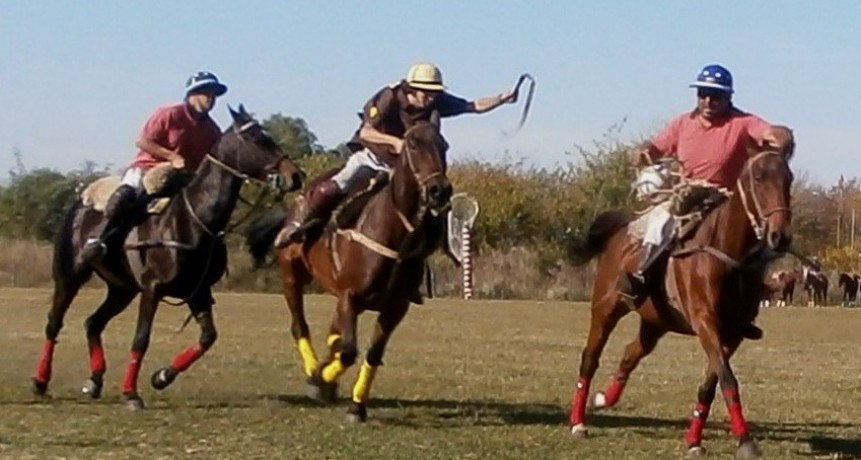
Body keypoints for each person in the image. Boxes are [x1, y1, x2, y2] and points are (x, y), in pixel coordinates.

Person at [273, 62, 517, 247]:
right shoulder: (389, 97)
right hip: (373, 158)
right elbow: (366, 132)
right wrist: (397, 143)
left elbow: (472, 106)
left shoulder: (435, 101)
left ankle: (421, 258)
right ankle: (297, 226)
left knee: (431, 205)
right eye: (427, 92)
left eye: (435, 92)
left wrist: (501, 99)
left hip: (403, 169)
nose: (432, 97)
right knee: (335, 186)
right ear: (412, 88)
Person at [620, 64, 794, 306]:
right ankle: (642, 275)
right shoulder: (682, 123)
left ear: (729, 97)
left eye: (716, 96)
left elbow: (769, 131)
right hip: (686, 194)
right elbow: (658, 147)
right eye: (703, 94)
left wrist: (782, 135)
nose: (708, 101)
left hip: (727, 199)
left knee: (760, 243)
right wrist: (643, 153)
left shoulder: (742, 122)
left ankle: (752, 296)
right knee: (659, 223)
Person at [78, 71, 227, 264]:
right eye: (207, 92)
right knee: (123, 198)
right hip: (147, 168)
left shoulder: (212, 131)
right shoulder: (169, 113)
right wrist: (171, 156)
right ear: (192, 94)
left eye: (214, 94)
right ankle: (98, 241)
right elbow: (143, 142)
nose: (212, 98)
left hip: (181, 178)